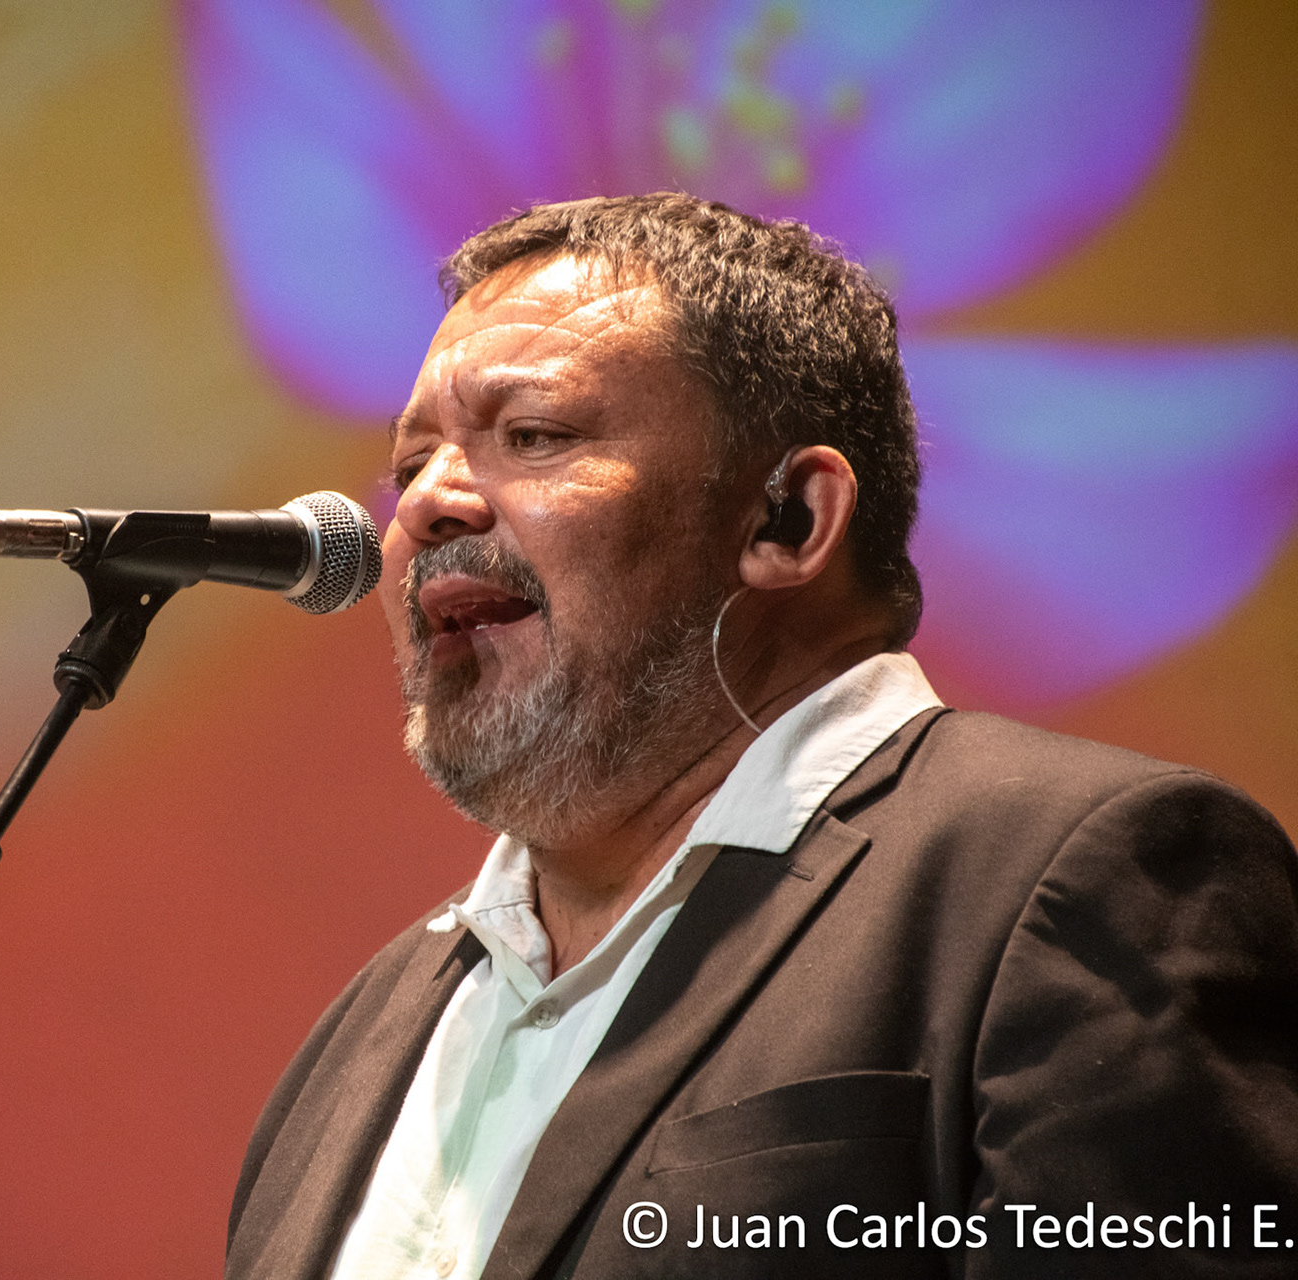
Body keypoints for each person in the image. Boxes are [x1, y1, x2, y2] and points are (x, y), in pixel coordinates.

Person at [222, 193, 1298, 1280]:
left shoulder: (1084, 876)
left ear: (789, 518)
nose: (427, 505)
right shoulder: (363, 1035)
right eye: (411, 466)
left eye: (533, 436)